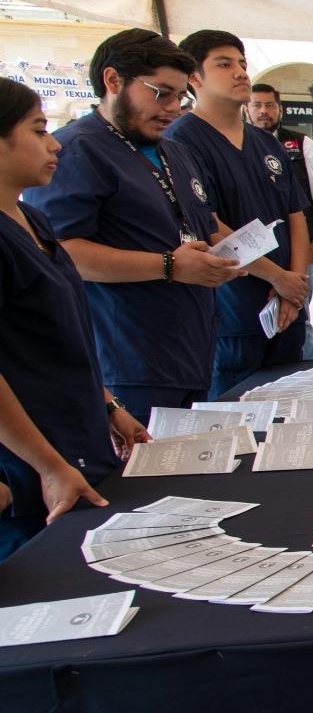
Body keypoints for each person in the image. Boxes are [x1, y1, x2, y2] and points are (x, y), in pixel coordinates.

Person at [24, 29, 237, 424]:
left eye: (179, 97)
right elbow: (62, 253)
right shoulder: (77, 150)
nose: (173, 108)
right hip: (130, 362)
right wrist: (170, 266)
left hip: (192, 348)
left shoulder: (176, 151)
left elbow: (200, 223)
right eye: (161, 93)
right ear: (112, 81)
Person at [0, 80, 147, 558]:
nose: (54, 143)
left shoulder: (33, 221)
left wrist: (107, 405)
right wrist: (46, 466)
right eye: (38, 130)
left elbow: (63, 338)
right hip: (33, 465)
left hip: (78, 439)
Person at [166, 30, 311, 399]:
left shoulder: (266, 142)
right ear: (194, 78)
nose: (240, 72)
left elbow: (295, 213)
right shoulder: (181, 141)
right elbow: (206, 223)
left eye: (243, 64)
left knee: (290, 406)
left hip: (285, 307)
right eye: (224, 64)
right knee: (235, 417)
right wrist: (277, 277)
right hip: (234, 311)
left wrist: (293, 285)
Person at [247, 82, 313, 359]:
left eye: (269, 105)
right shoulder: (239, 144)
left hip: (298, 246)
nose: (263, 111)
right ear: (247, 109)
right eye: (257, 105)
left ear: (279, 109)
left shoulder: (300, 145)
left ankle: (304, 369)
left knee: (299, 314)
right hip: (255, 250)